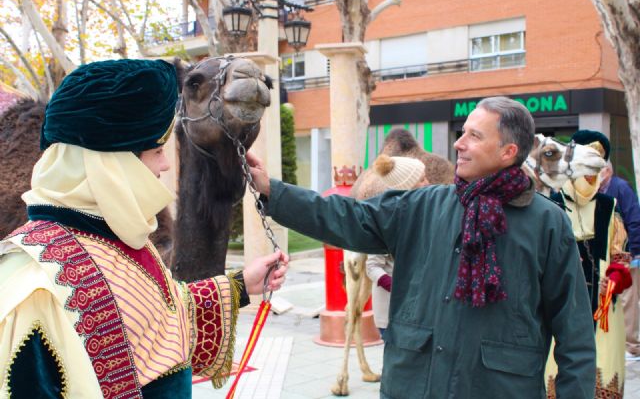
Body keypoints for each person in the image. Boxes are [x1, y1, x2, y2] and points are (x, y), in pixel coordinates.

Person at [247, 96, 596, 398]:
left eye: (475, 136)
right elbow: (343, 216)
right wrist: (272, 191)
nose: (460, 143)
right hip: (414, 384)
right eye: (463, 133)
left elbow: (575, 332)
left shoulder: (547, 223)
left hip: (499, 388)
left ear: (508, 152)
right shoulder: (423, 205)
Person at [0, 59, 288, 398]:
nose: (165, 165)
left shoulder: (124, 241)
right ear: (112, 165)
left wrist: (240, 286)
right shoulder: (33, 288)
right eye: (156, 151)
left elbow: (163, 314)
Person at [547, 135, 631, 398]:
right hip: (558, 310)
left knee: (603, 376)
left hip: (604, 314)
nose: (591, 177)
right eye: (587, 168)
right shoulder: (551, 205)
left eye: (597, 169)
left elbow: (621, 261)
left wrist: (614, 281)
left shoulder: (609, 207)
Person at [572, 130, 640, 361]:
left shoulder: (614, 200)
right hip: (568, 307)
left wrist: (616, 275)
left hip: (608, 299)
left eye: (596, 168)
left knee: (625, 304)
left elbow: (631, 226)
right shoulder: (557, 202)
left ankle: (631, 345)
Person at [365, 154, 428, 336]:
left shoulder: (422, 214)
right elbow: (372, 266)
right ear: (407, 186)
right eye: (422, 179)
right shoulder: (386, 220)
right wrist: (396, 285)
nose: (428, 182)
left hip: (417, 310)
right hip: (391, 312)